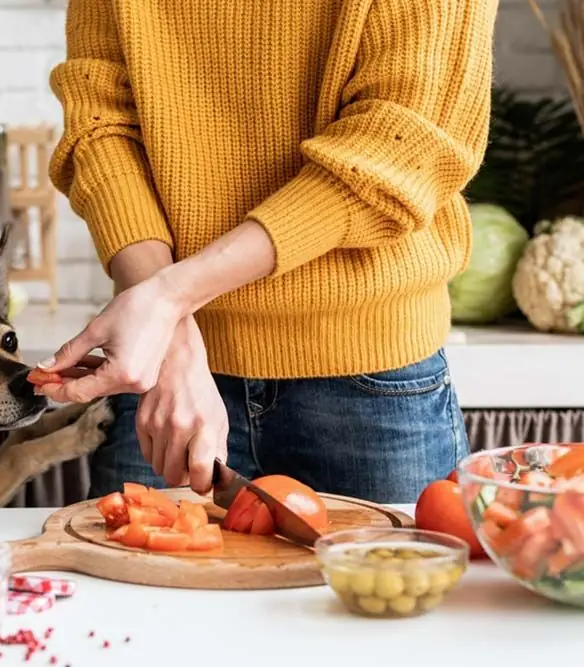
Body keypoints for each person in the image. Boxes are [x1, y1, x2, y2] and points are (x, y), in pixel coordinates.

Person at [36, 0, 498, 504]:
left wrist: (168, 302)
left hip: (369, 380)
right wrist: (172, 338)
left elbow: (400, 144)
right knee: (133, 580)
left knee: (384, 584)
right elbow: (100, 124)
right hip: (165, 372)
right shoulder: (167, 341)